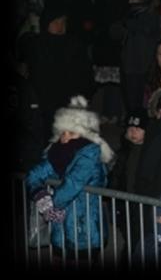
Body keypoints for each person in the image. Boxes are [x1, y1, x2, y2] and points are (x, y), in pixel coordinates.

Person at [26, 96, 115, 258]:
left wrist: (51, 204)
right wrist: (40, 194)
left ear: (84, 134)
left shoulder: (90, 153)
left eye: (71, 133)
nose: (65, 138)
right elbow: (34, 174)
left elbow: (73, 183)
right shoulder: (56, 152)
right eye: (62, 132)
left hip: (85, 230)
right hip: (60, 230)